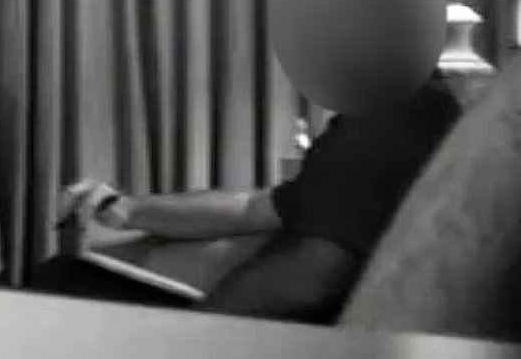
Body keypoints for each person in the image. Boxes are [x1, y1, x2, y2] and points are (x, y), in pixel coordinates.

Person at [48, 70, 460, 324]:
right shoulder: (384, 112)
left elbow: (310, 279)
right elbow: (252, 209)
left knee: (60, 287)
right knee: (65, 278)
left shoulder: (397, 112)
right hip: (255, 321)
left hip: (275, 334)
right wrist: (130, 209)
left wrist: (196, 335)